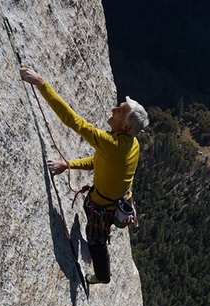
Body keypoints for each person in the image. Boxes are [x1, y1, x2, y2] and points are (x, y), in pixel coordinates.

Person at [20, 66, 149, 284]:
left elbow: (74, 121)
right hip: (109, 201)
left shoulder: (112, 144)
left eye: (119, 109)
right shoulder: (131, 143)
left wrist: (42, 84)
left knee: (96, 242)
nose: (113, 109)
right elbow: (98, 162)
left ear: (126, 126)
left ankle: (102, 276)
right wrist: (68, 164)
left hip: (103, 208)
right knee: (90, 220)